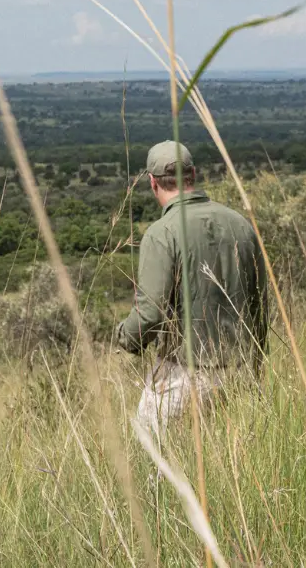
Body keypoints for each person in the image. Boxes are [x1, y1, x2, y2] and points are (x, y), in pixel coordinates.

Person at [115, 140, 269, 440]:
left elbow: (151, 312)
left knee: (153, 460)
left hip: (183, 371)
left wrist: (125, 336)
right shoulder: (240, 224)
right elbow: (259, 304)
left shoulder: (162, 233)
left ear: (152, 182)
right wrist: (256, 367)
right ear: (193, 174)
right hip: (240, 369)